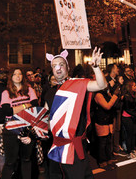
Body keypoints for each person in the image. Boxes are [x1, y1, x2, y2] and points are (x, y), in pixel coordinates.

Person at [44, 47, 107, 179]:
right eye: (55, 66)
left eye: (61, 64)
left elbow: (101, 85)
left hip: (76, 149)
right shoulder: (49, 93)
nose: (58, 68)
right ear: (52, 70)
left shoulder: (78, 84)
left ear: (67, 67)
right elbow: (46, 120)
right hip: (56, 148)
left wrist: (96, 67)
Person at [0, 68, 38, 179]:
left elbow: (35, 105)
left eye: (20, 74)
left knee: (26, 159)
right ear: (11, 77)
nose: (18, 76)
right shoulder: (6, 92)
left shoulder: (30, 90)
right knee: (10, 162)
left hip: (27, 128)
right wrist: (26, 105)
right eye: (15, 74)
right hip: (11, 129)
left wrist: (15, 108)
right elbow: (7, 111)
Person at [93, 81, 120, 169]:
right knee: (102, 143)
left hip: (108, 120)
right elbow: (107, 106)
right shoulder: (98, 95)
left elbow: (113, 104)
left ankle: (109, 160)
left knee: (109, 141)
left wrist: (113, 95)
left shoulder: (106, 93)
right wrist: (115, 95)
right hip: (101, 121)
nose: (107, 85)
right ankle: (102, 162)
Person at [121, 80, 136, 159]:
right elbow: (127, 108)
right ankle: (129, 152)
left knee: (133, 134)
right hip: (127, 117)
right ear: (130, 87)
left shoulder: (135, 95)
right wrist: (135, 114)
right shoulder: (126, 96)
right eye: (134, 86)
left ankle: (133, 149)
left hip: (133, 116)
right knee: (129, 135)